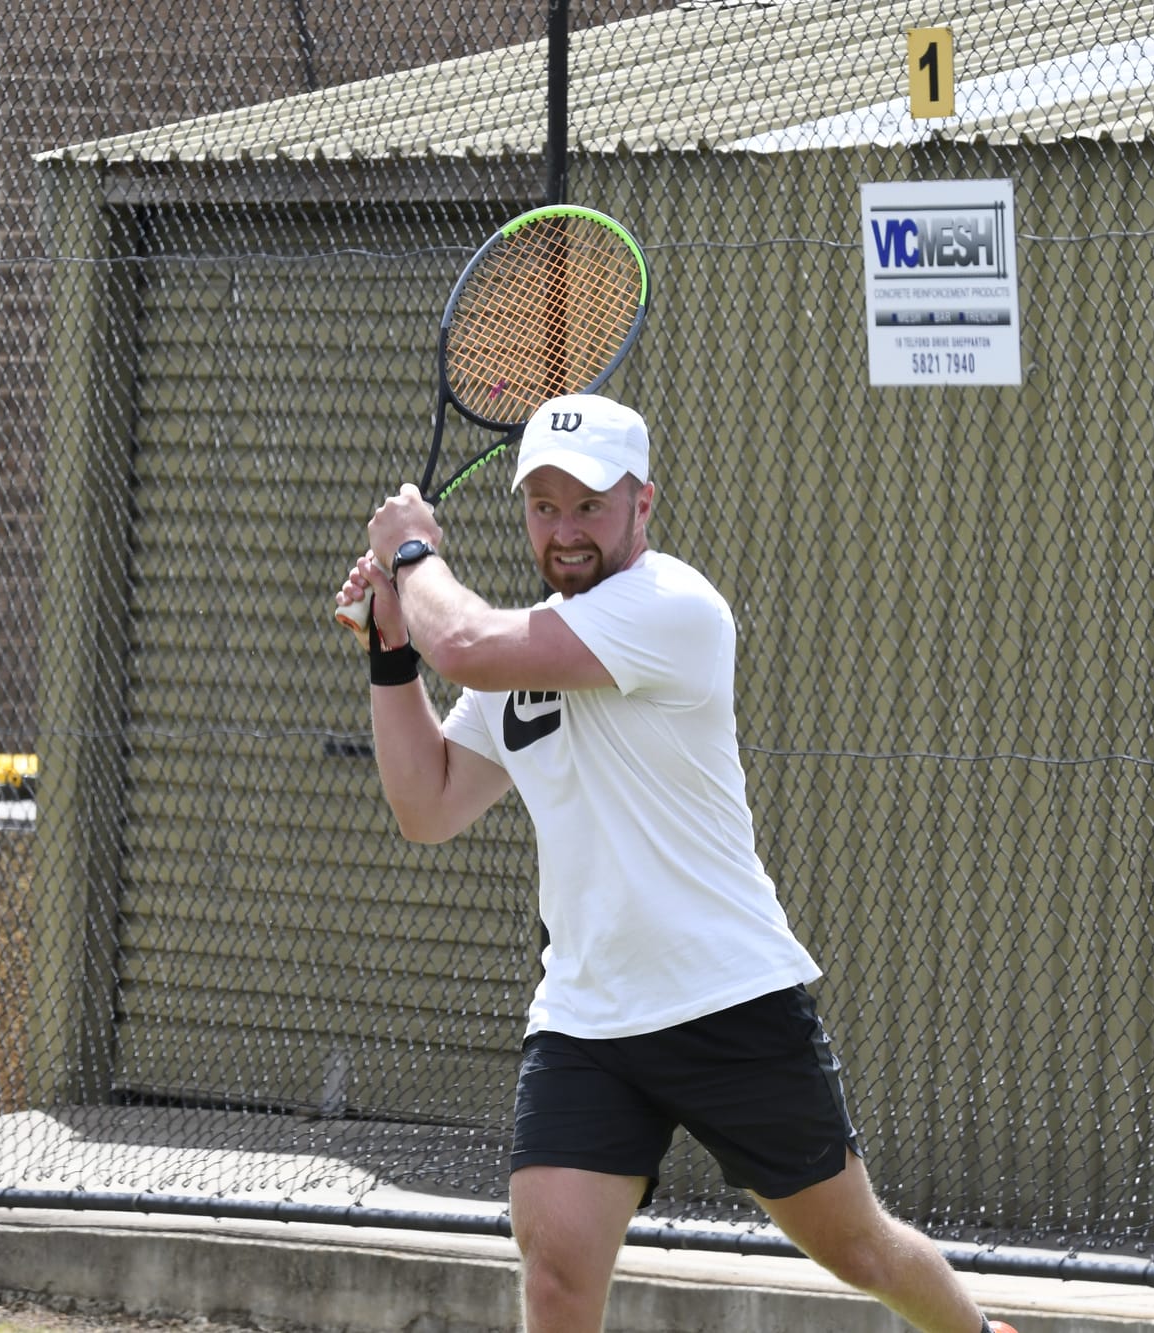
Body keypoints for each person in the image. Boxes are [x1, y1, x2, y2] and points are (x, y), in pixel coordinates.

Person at [335, 393, 1015, 1333]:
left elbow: (469, 643)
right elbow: (428, 803)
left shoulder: (673, 607)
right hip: (585, 1017)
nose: (565, 530)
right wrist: (390, 648)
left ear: (643, 506)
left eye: (590, 505)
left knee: (859, 1249)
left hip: (726, 1000)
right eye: (544, 505)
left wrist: (410, 554)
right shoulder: (527, 643)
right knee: (556, 1271)